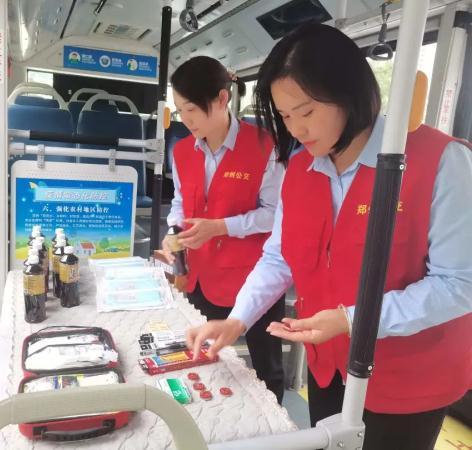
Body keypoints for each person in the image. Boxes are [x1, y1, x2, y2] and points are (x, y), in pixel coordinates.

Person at [186, 24, 472, 450]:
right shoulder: (300, 170)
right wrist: (238, 318)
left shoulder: (441, 161)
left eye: (306, 112)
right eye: (285, 116)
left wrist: (353, 320)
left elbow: (459, 284)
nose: (296, 129)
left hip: (408, 379)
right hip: (328, 366)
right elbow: (279, 256)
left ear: (349, 94)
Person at [162, 55, 286, 402]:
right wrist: (172, 230)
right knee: (205, 360)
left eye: (191, 109)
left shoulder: (264, 146)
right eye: (179, 111)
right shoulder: (182, 150)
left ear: (221, 99)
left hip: (254, 277)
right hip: (200, 277)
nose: (185, 120)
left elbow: (274, 214)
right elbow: (180, 202)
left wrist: (221, 227)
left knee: (266, 368)